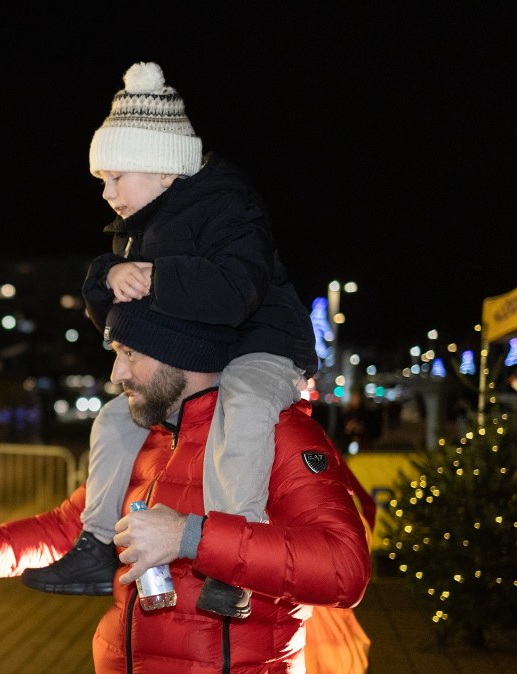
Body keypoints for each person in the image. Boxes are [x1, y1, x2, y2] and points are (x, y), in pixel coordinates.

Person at [21, 61, 319, 619]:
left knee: (244, 404)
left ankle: (239, 557)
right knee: (115, 418)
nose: (106, 193)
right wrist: (107, 278)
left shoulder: (229, 205)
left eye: (115, 177)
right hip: (206, 356)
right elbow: (120, 321)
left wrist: (156, 275)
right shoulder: (143, 223)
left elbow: (237, 291)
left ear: (163, 169)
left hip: (266, 346)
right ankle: (96, 546)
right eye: (101, 181)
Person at [0, 301, 370, 672]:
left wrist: (190, 536)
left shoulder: (278, 431)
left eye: (129, 353)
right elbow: (67, 529)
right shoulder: (146, 435)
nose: (116, 372)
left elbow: (343, 569)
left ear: (180, 352)